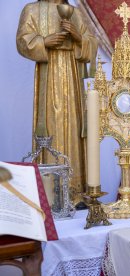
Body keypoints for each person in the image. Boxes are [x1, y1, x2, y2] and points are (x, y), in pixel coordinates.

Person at [16, 0, 97, 206]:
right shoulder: (32, 10)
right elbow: (22, 41)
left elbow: (91, 44)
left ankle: (76, 193)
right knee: (52, 126)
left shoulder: (76, 13)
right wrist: (44, 41)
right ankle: (52, 195)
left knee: (74, 128)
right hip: (49, 77)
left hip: (72, 79)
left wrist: (78, 38)